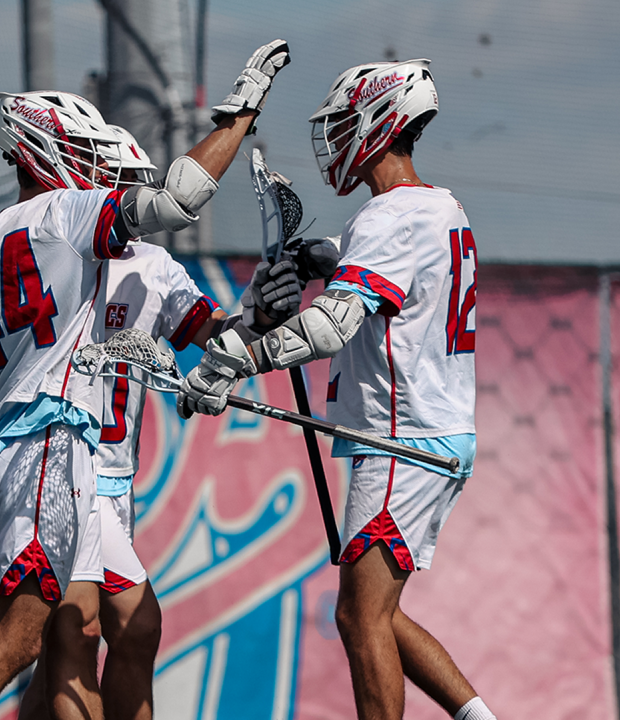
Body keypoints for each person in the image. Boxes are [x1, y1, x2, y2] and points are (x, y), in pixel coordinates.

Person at [0, 40, 290, 720]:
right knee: (26, 641)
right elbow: (177, 198)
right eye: (86, 159)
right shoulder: (67, 216)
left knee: (76, 637)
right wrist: (239, 116)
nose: (100, 178)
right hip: (52, 441)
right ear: (44, 150)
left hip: (28, 449)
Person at [177, 59, 497, 720]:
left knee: (358, 617)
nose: (336, 139)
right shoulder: (438, 207)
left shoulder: (389, 219)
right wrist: (311, 257)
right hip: (438, 437)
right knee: (377, 611)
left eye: (346, 123)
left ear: (381, 124)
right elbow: (365, 262)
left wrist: (234, 360)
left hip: (398, 441)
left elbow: (331, 326)